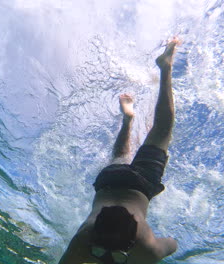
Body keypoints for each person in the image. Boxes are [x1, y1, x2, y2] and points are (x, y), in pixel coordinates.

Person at [58, 38, 180, 264]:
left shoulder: (146, 248)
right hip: (109, 181)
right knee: (121, 157)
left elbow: (172, 244)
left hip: (140, 185)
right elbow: (173, 244)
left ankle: (164, 70)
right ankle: (128, 119)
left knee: (161, 132)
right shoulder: (86, 240)